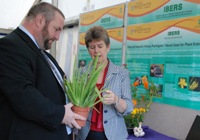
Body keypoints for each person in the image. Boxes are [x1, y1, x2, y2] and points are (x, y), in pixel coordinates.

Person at [0, 2, 85, 140]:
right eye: (56, 29)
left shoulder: (43, 53)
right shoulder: (10, 46)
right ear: (40, 21)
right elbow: (23, 94)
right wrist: (61, 114)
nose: (58, 37)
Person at [75, 26, 134, 140]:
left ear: (108, 47)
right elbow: (73, 103)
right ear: (88, 50)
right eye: (92, 47)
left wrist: (116, 100)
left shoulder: (121, 73)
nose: (96, 51)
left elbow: (129, 107)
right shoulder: (80, 74)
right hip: (86, 133)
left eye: (100, 46)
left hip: (114, 134)